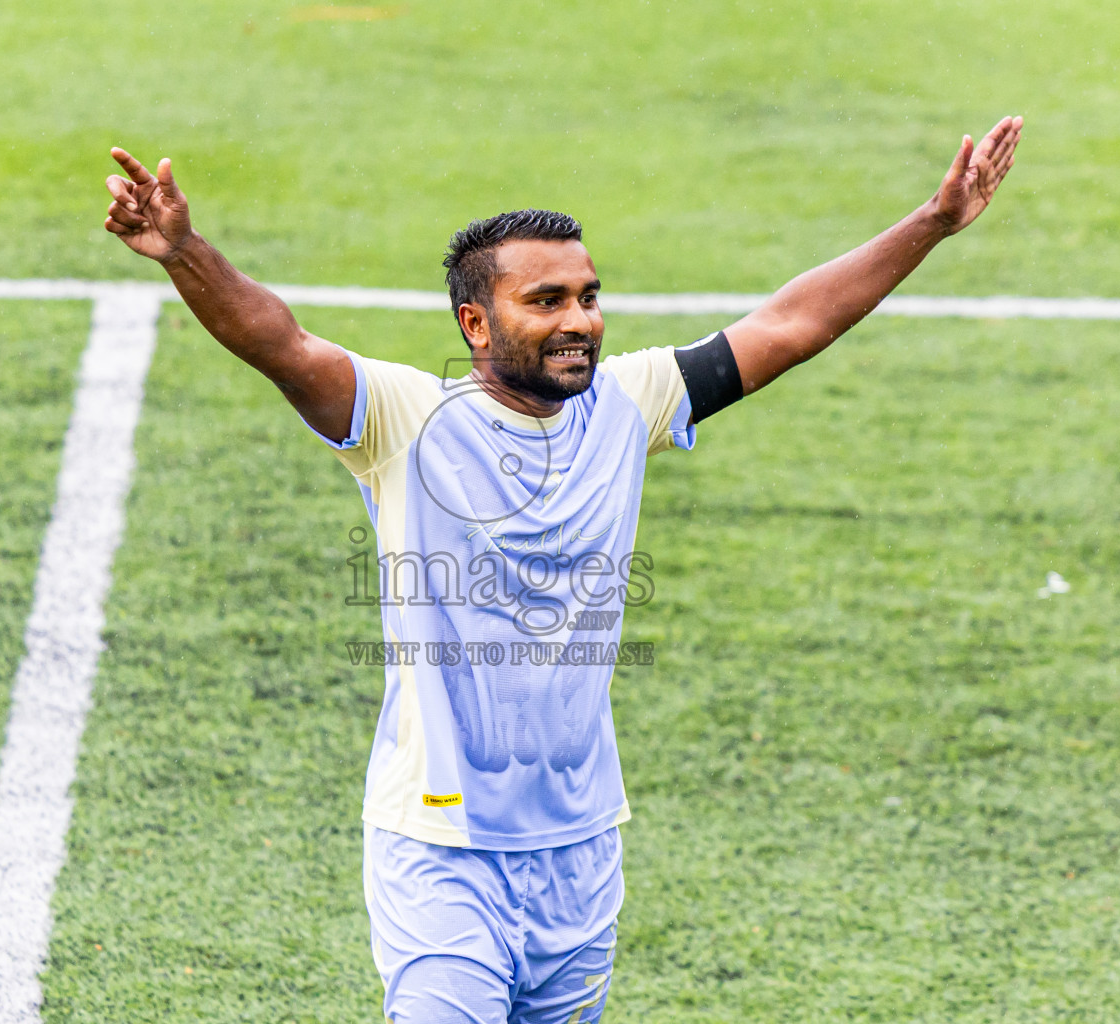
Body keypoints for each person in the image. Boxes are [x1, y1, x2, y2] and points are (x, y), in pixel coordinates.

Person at [102, 114, 1023, 1023]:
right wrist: (185, 252)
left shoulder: (630, 403)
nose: (579, 318)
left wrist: (931, 223)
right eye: (546, 301)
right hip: (441, 849)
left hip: (580, 850)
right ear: (475, 321)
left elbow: (792, 322)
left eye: (586, 295)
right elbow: (282, 342)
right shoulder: (404, 419)